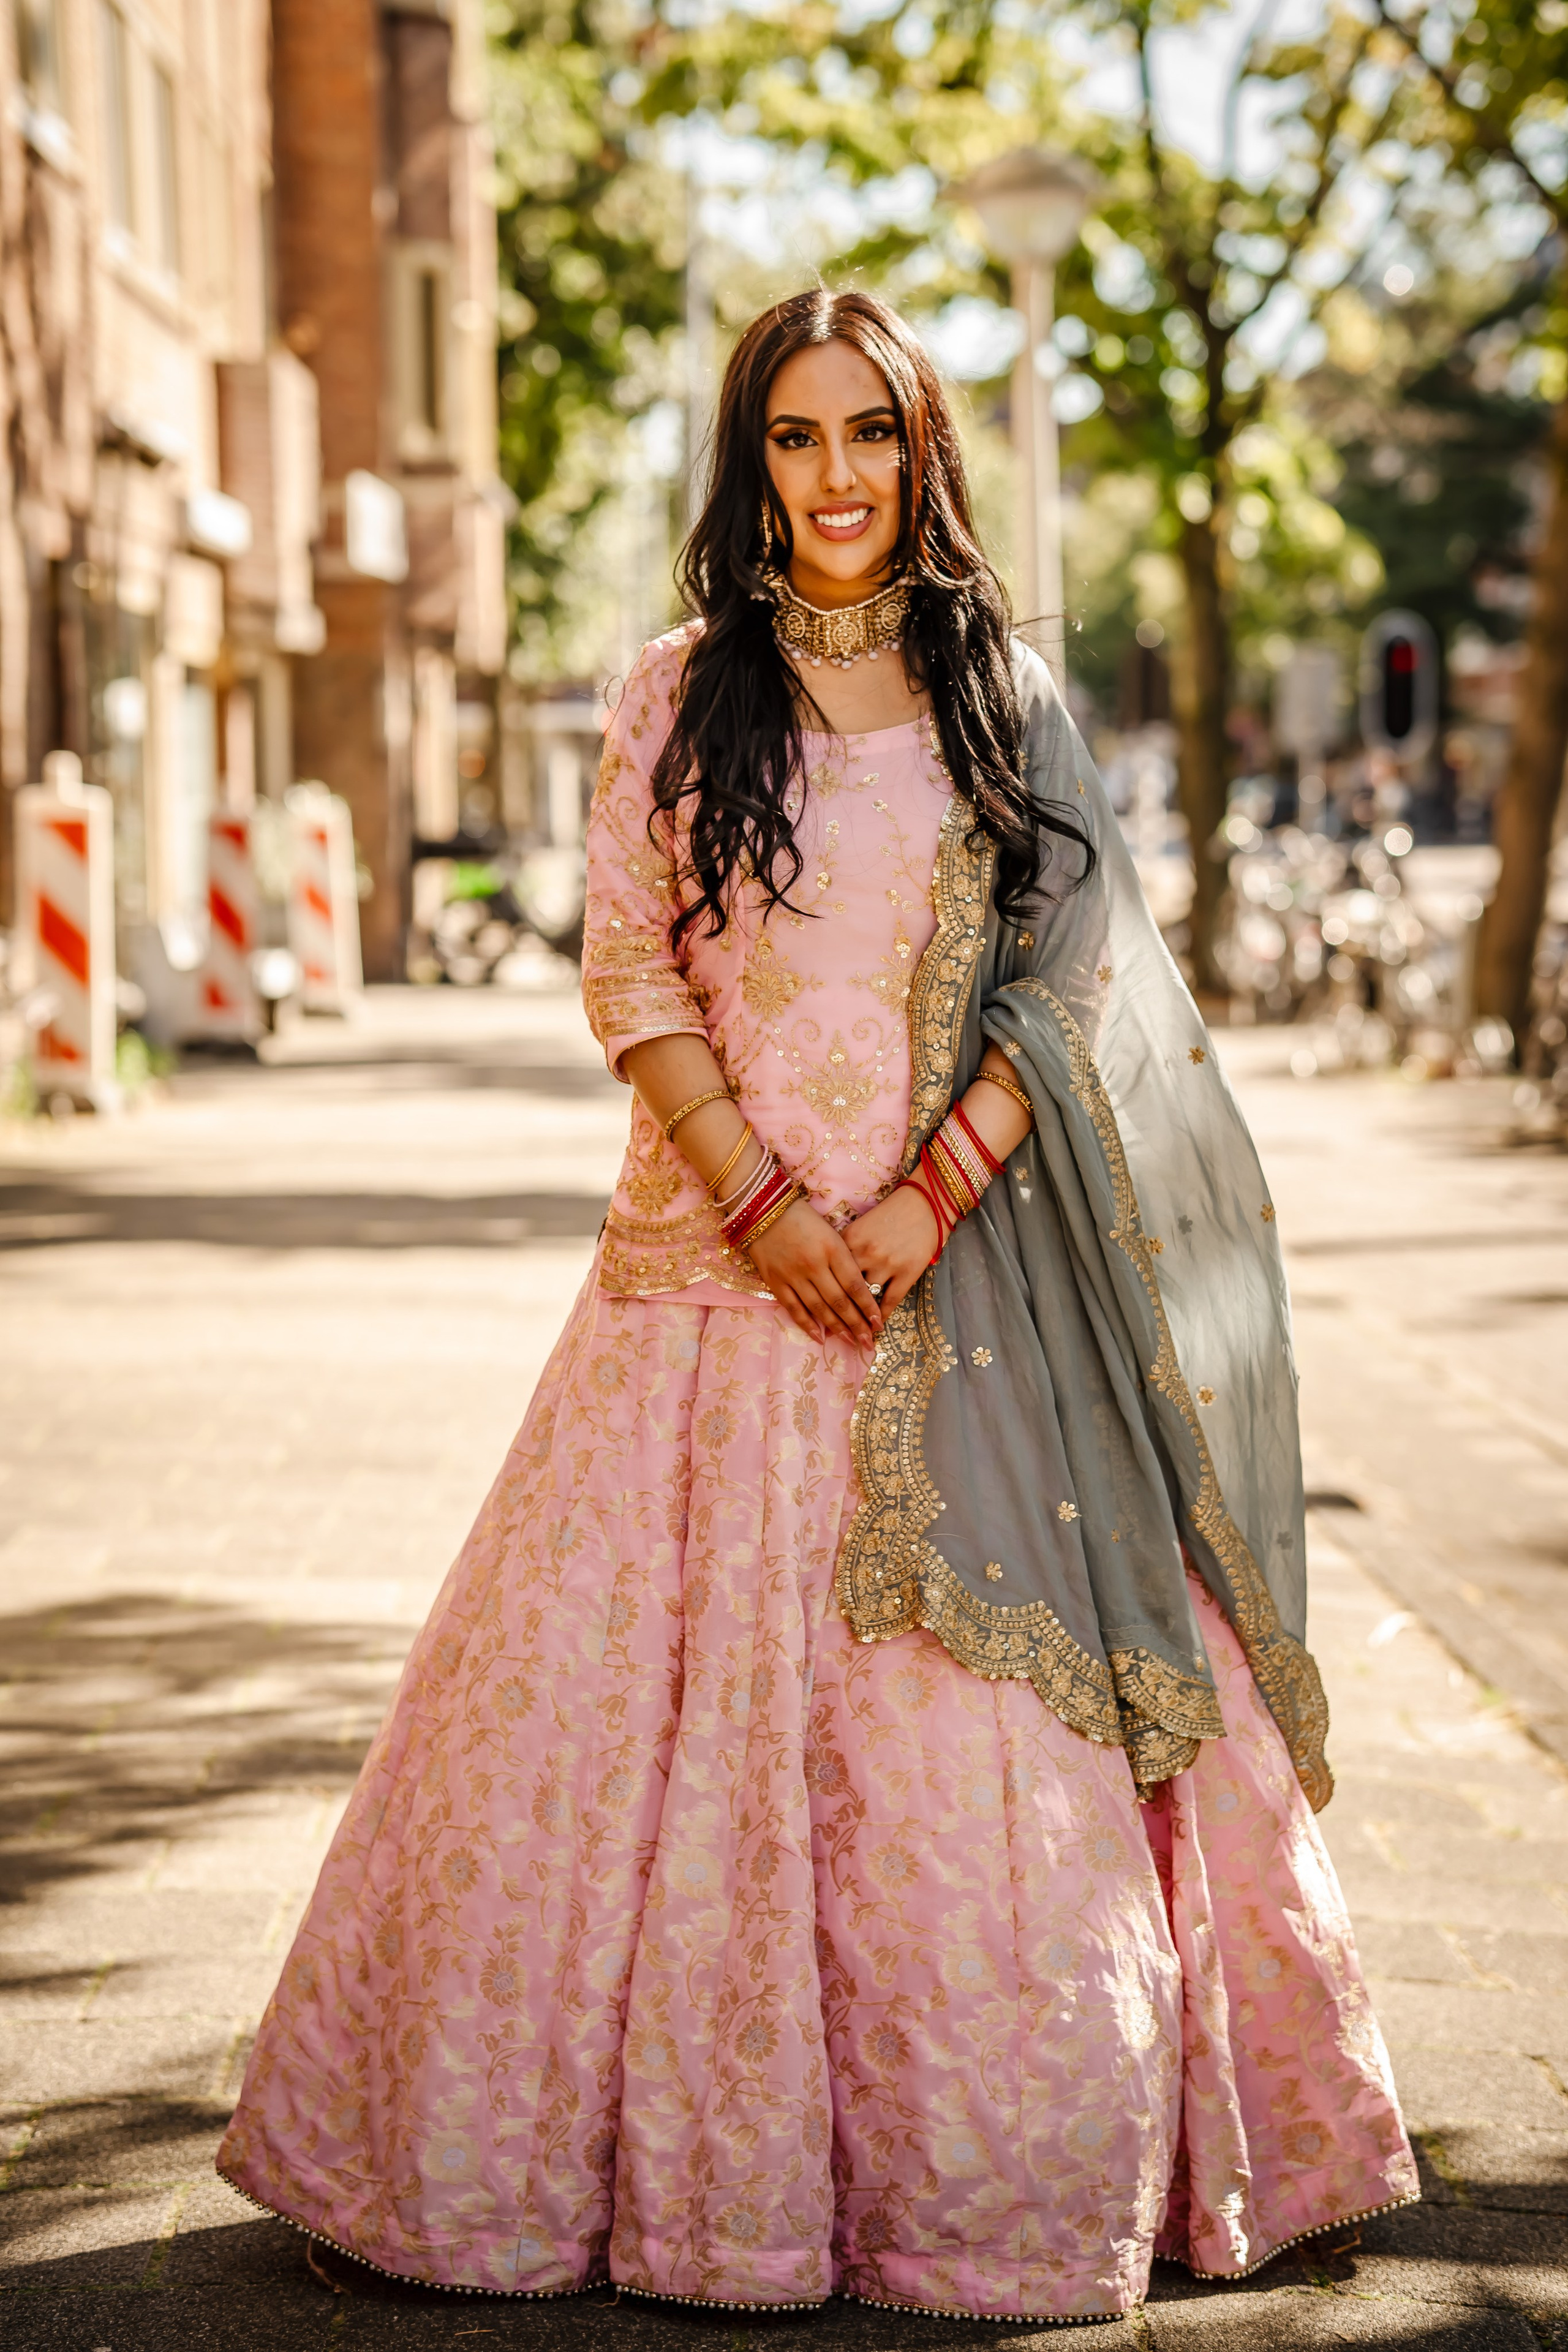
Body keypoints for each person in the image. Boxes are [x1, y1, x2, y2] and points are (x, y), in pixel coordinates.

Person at [218, 288, 1417, 2321]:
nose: (839, 475)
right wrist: (765, 1199)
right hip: (707, 1276)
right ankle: (656, 2190)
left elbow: (1073, 970)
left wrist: (926, 1195)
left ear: (923, 450)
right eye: (797, 436)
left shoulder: (1003, 698)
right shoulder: (680, 692)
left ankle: (987, 2191)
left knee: (984, 1766)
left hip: (968, 1288)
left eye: (874, 432)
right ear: (748, 458)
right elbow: (630, 966)